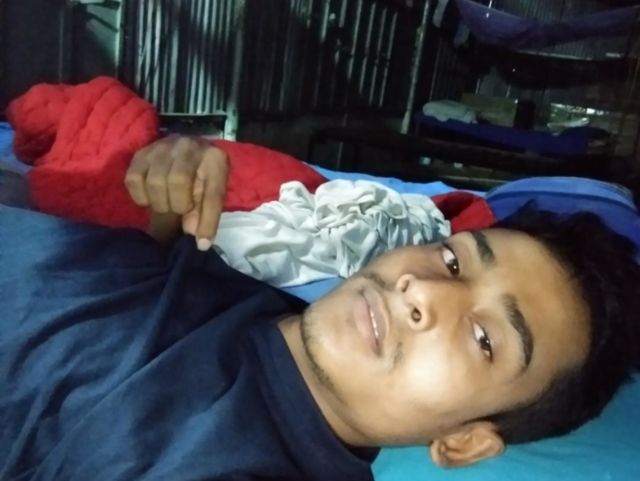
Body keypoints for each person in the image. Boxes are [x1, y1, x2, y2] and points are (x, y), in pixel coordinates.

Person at [1, 136, 639, 481]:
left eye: (484, 339)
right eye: (453, 261)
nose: (423, 292)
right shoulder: (270, 310)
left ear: (465, 442)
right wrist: (168, 194)